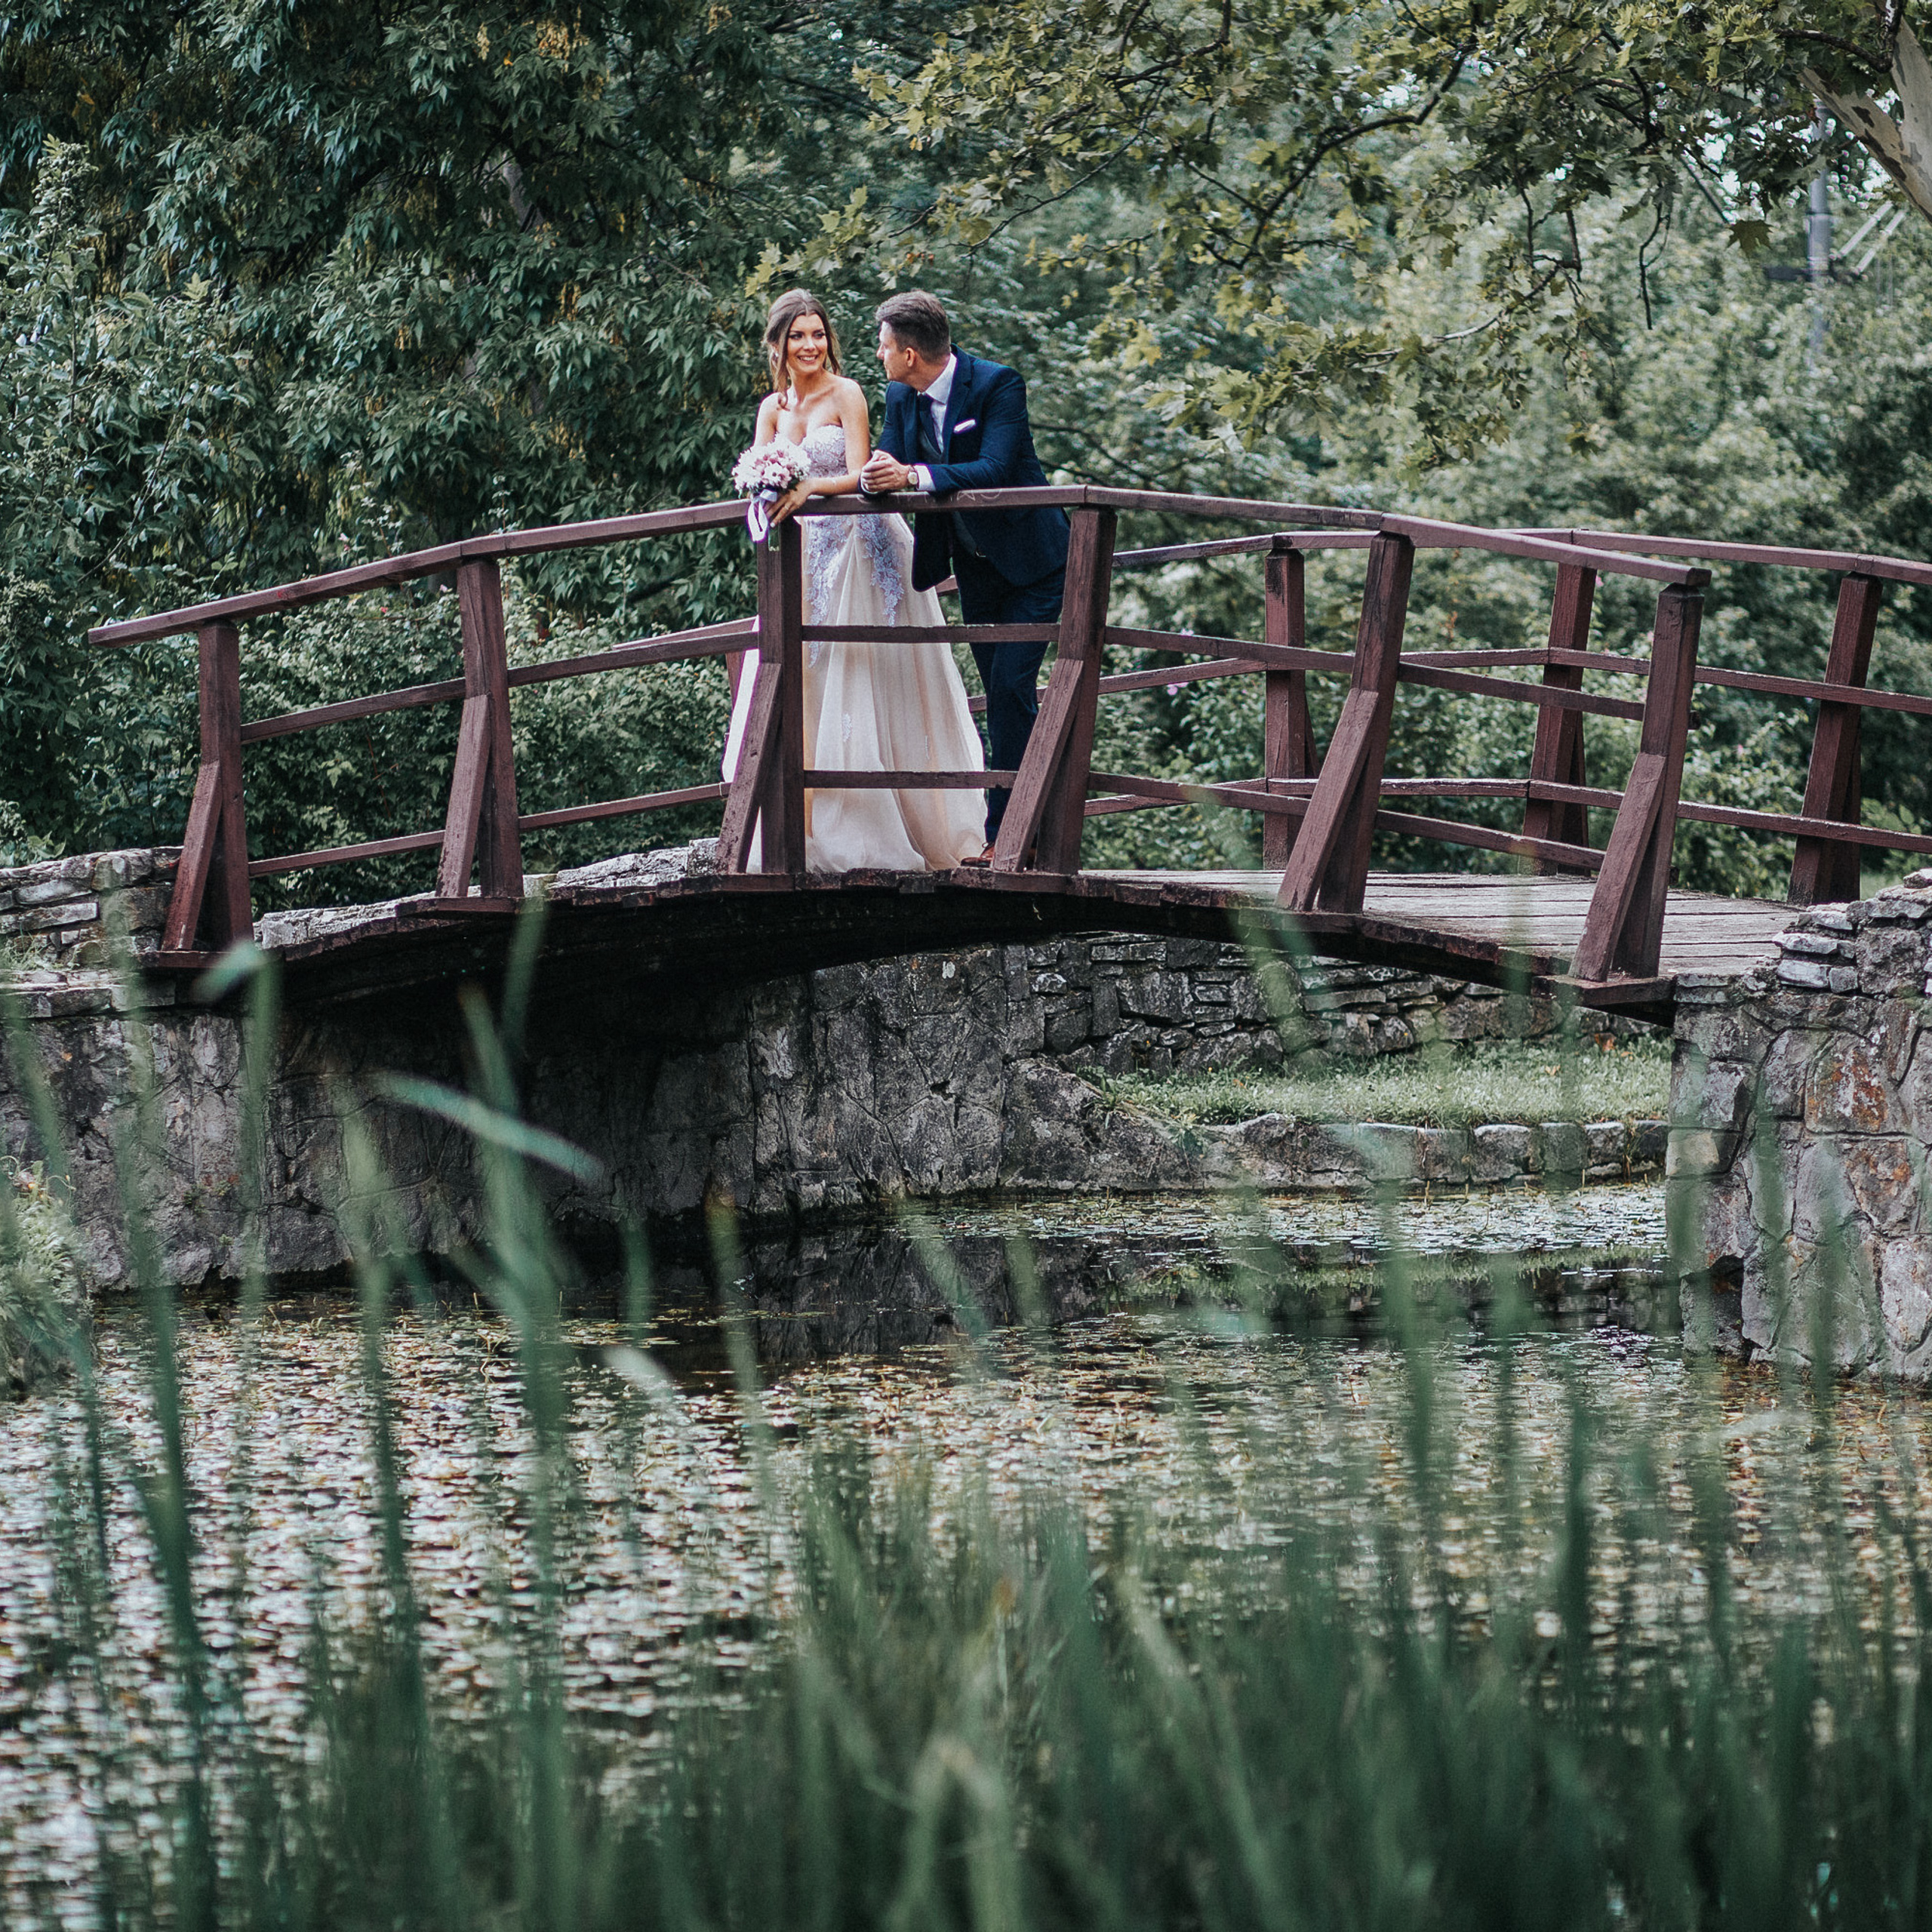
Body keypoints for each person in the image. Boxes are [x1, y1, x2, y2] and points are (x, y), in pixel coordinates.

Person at [721, 288, 984, 872]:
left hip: (858, 550)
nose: (810, 345)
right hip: (803, 555)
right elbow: (759, 478)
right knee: (807, 678)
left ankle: (884, 828)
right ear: (778, 344)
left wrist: (810, 487)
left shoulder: (849, 393)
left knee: (863, 670)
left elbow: (862, 474)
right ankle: (803, 826)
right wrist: (766, 486)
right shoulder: (771, 409)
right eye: (798, 336)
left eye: (818, 334)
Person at [859, 291, 1069, 857]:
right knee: (1002, 696)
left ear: (909, 354)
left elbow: (995, 467)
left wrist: (913, 476)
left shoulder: (998, 384)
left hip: (1033, 562)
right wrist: (873, 476)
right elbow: (888, 459)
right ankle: (1026, 830)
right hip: (975, 568)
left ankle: (1009, 838)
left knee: (1009, 689)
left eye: (883, 346)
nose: (879, 355)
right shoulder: (900, 395)